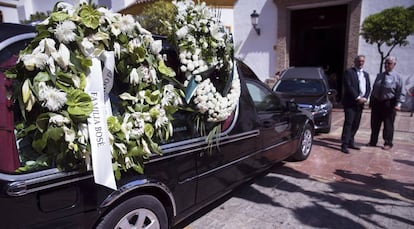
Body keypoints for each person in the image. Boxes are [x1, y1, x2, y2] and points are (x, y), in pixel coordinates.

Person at [367, 56, 405, 150]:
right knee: (374, 124)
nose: (387, 65)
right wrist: (371, 101)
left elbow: (401, 91)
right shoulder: (379, 75)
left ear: (394, 65)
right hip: (377, 103)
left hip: (389, 103)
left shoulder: (398, 77)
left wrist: (398, 104)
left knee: (388, 124)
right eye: (386, 63)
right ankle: (373, 141)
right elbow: (374, 89)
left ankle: (388, 143)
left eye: (389, 63)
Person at [340, 55, 371, 153]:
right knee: (349, 123)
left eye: (362, 61)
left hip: (361, 103)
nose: (361, 63)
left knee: (356, 123)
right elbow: (348, 86)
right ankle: (344, 144)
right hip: (350, 102)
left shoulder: (365, 74)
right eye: (359, 61)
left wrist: (365, 97)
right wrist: (357, 97)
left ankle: (351, 141)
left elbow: (368, 87)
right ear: (355, 61)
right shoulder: (349, 72)